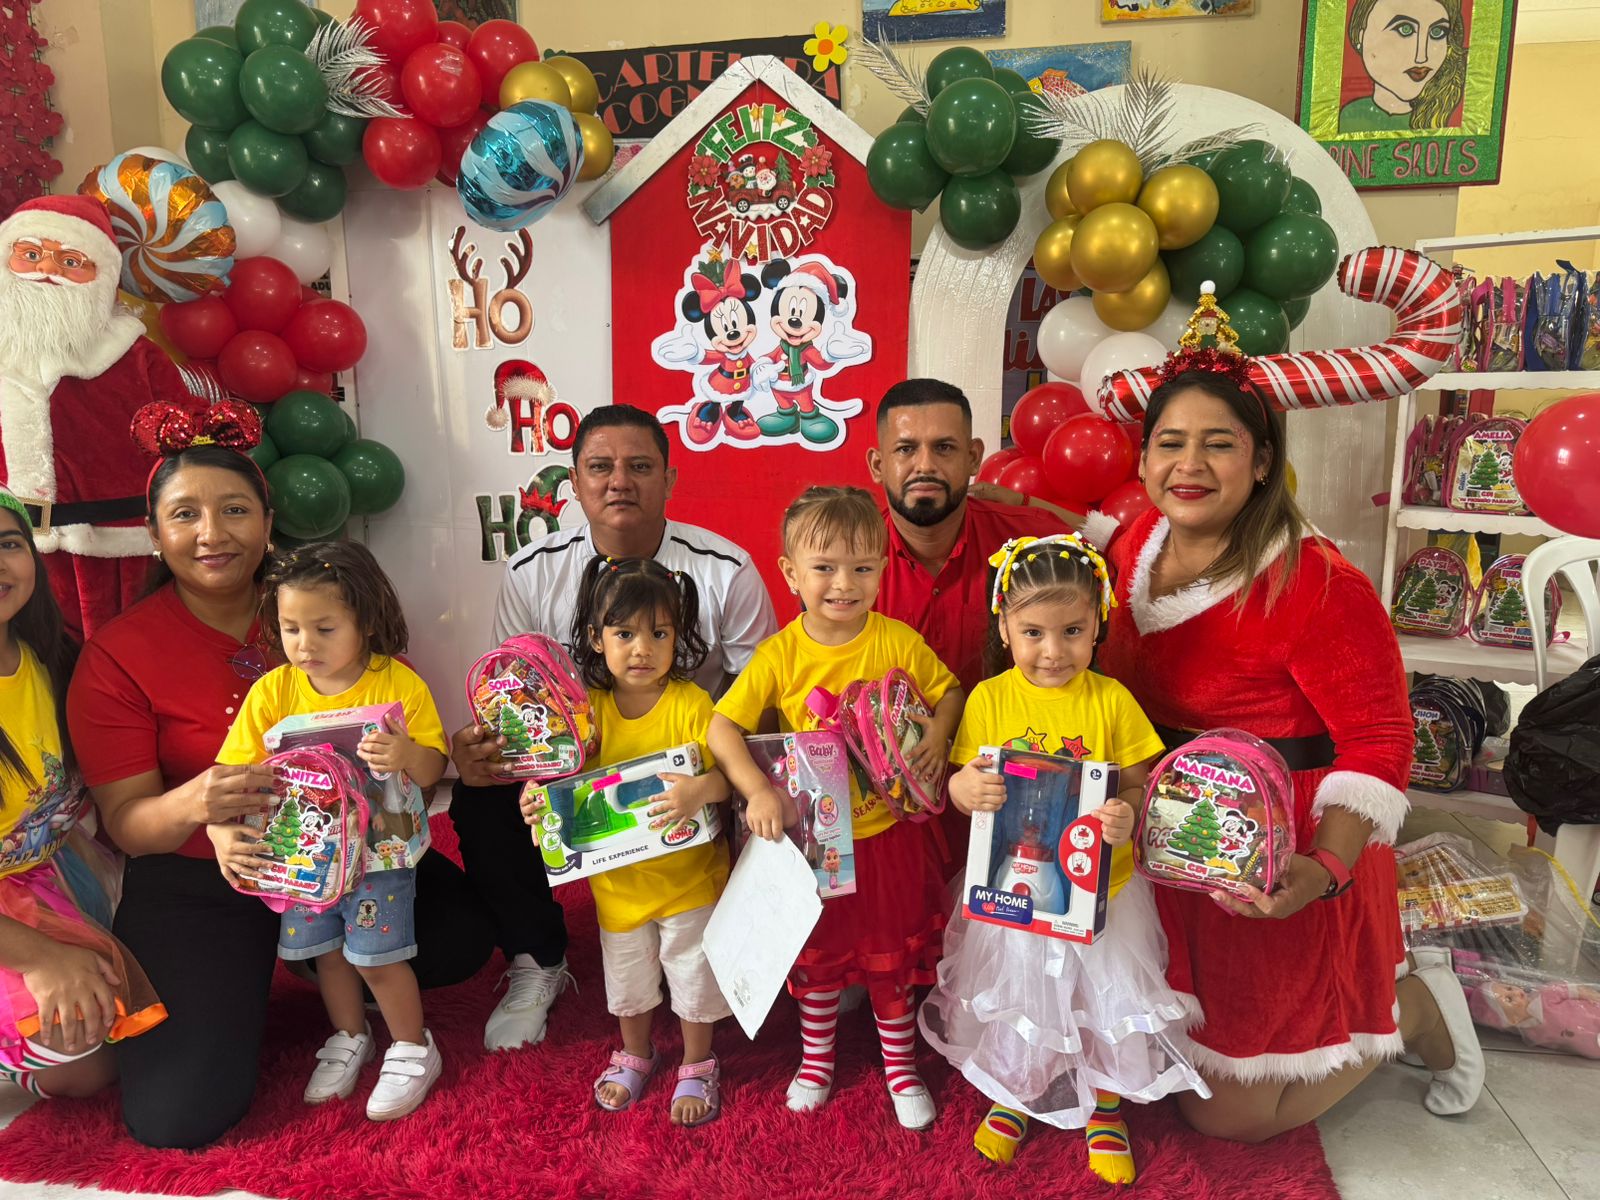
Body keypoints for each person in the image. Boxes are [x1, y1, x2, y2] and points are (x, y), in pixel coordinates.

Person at [67, 405, 492, 1148]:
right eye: (185, 514)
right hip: (205, 872)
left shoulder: (324, 603)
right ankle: (285, 986)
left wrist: (414, 764)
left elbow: (416, 768)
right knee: (177, 1115)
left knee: (456, 938)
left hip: (352, 852)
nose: (212, 533)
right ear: (153, 530)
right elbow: (128, 823)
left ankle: (347, 994)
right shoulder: (118, 654)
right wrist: (204, 811)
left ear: (269, 520)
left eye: (235, 509)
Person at [1095, 359, 1482, 1142]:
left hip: (1277, 845)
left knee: (1231, 1118)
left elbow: (1381, 736)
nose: (1190, 465)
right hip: (1168, 831)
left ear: (1263, 460)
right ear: (1143, 457)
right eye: (1170, 442)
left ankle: (1415, 1008)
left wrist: (1324, 869)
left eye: (1219, 444)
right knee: (1153, 1051)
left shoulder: (1318, 582)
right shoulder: (1135, 544)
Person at [452, 405, 776, 1054]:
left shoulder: (725, 567)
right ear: (574, 483)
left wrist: (723, 775)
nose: (619, 481)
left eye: (640, 466)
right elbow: (512, 699)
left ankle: (778, 944)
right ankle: (537, 958)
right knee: (481, 793)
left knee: (772, 773)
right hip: (582, 756)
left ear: (670, 479)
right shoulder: (531, 570)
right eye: (600, 467)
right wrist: (488, 748)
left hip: (691, 754)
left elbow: (761, 703)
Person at [919, 533, 1205, 1183]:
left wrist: (1126, 812)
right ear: (1004, 627)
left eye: (1072, 631)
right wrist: (963, 790)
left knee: (1103, 999)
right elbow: (963, 780)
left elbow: (1141, 783)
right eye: (1033, 633)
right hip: (1016, 888)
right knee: (1022, 994)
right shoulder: (989, 699)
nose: (1053, 651)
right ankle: (1017, 1093)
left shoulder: (1111, 700)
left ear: (1098, 623)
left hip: (1102, 893)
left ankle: (1105, 1106)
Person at [708, 486, 962, 1130]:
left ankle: (900, 1066)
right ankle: (816, 1062)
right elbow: (721, 727)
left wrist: (937, 735)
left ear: (880, 571)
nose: (844, 584)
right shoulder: (780, 653)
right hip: (815, 842)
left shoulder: (896, 640)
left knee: (889, 956)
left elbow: (950, 690)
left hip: (889, 837)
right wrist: (757, 790)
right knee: (818, 957)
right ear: (791, 573)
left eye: (862, 567)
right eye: (824, 567)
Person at [210, 541, 449, 1122]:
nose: (304, 645)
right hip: (304, 857)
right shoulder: (273, 691)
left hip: (379, 858)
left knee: (376, 957)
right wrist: (221, 832)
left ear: (365, 621)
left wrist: (406, 753)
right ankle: (350, 1035)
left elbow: (433, 768)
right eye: (291, 628)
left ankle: (412, 1045)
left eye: (324, 628)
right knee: (327, 955)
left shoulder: (398, 682)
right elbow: (232, 771)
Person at [867, 378, 1116, 873]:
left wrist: (1023, 503)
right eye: (906, 449)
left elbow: (1126, 550)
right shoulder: (847, 567)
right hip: (891, 819)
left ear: (974, 456)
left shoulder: (1034, 544)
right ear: (877, 464)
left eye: (944, 448)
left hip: (1024, 816)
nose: (925, 465)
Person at [527, 557, 732, 1125]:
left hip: (689, 882)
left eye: (659, 634)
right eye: (624, 634)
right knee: (628, 980)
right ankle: (637, 1051)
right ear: (597, 638)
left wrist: (700, 790)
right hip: (618, 885)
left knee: (693, 975)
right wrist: (537, 800)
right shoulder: (586, 713)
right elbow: (560, 782)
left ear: (678, 636)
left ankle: (698, 1060)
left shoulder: (692, 704)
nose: (642, 649)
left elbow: (728, 778)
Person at [0, 486, 166, 1100]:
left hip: (58, 869)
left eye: (8, 544)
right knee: (75, 1044)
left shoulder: (51, 657)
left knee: (145, 1015)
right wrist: (42, 958)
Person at [0, 194, 198, 641]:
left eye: (71, 262)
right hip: (11, 551)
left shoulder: (136, 354)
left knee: (122, 655)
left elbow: (185, 436)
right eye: (30, 255)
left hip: (114, 550)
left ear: (102, 276)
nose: (47, 270)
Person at [1339, 0, 1466, 132]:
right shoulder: (1350, 114)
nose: (1421, 57)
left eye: (1437, 32)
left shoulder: (1447, 119)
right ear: (1362, 36)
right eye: (1405, 29)